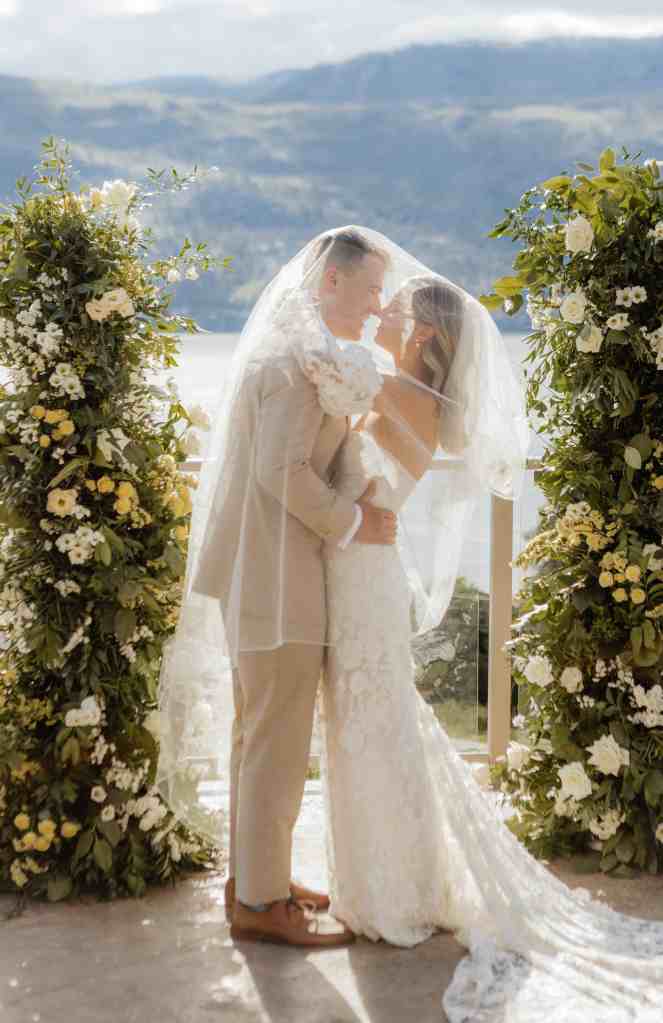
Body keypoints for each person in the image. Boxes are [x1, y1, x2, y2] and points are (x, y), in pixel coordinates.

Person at [320, 265, 663, 1021]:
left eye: (398, 305)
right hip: (361, 567)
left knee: (369, 724)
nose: (383, 308)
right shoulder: (408, 394)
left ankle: (391, 887)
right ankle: (391, 875)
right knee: (371, 723)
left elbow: (333, 413)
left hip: (363, 571)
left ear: (427, 333)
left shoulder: (395, 390)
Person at [156, 229, 398, 948]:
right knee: (276, 741)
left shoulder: (299, 355)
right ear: (330, 281)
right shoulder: (293, 365)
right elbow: (280, 472)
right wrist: (356, 521)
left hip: (266, 570)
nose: (378, 306)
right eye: (371, 290)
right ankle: (261, 904)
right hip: (275, 574)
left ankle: (258, 877)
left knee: (259, 734)